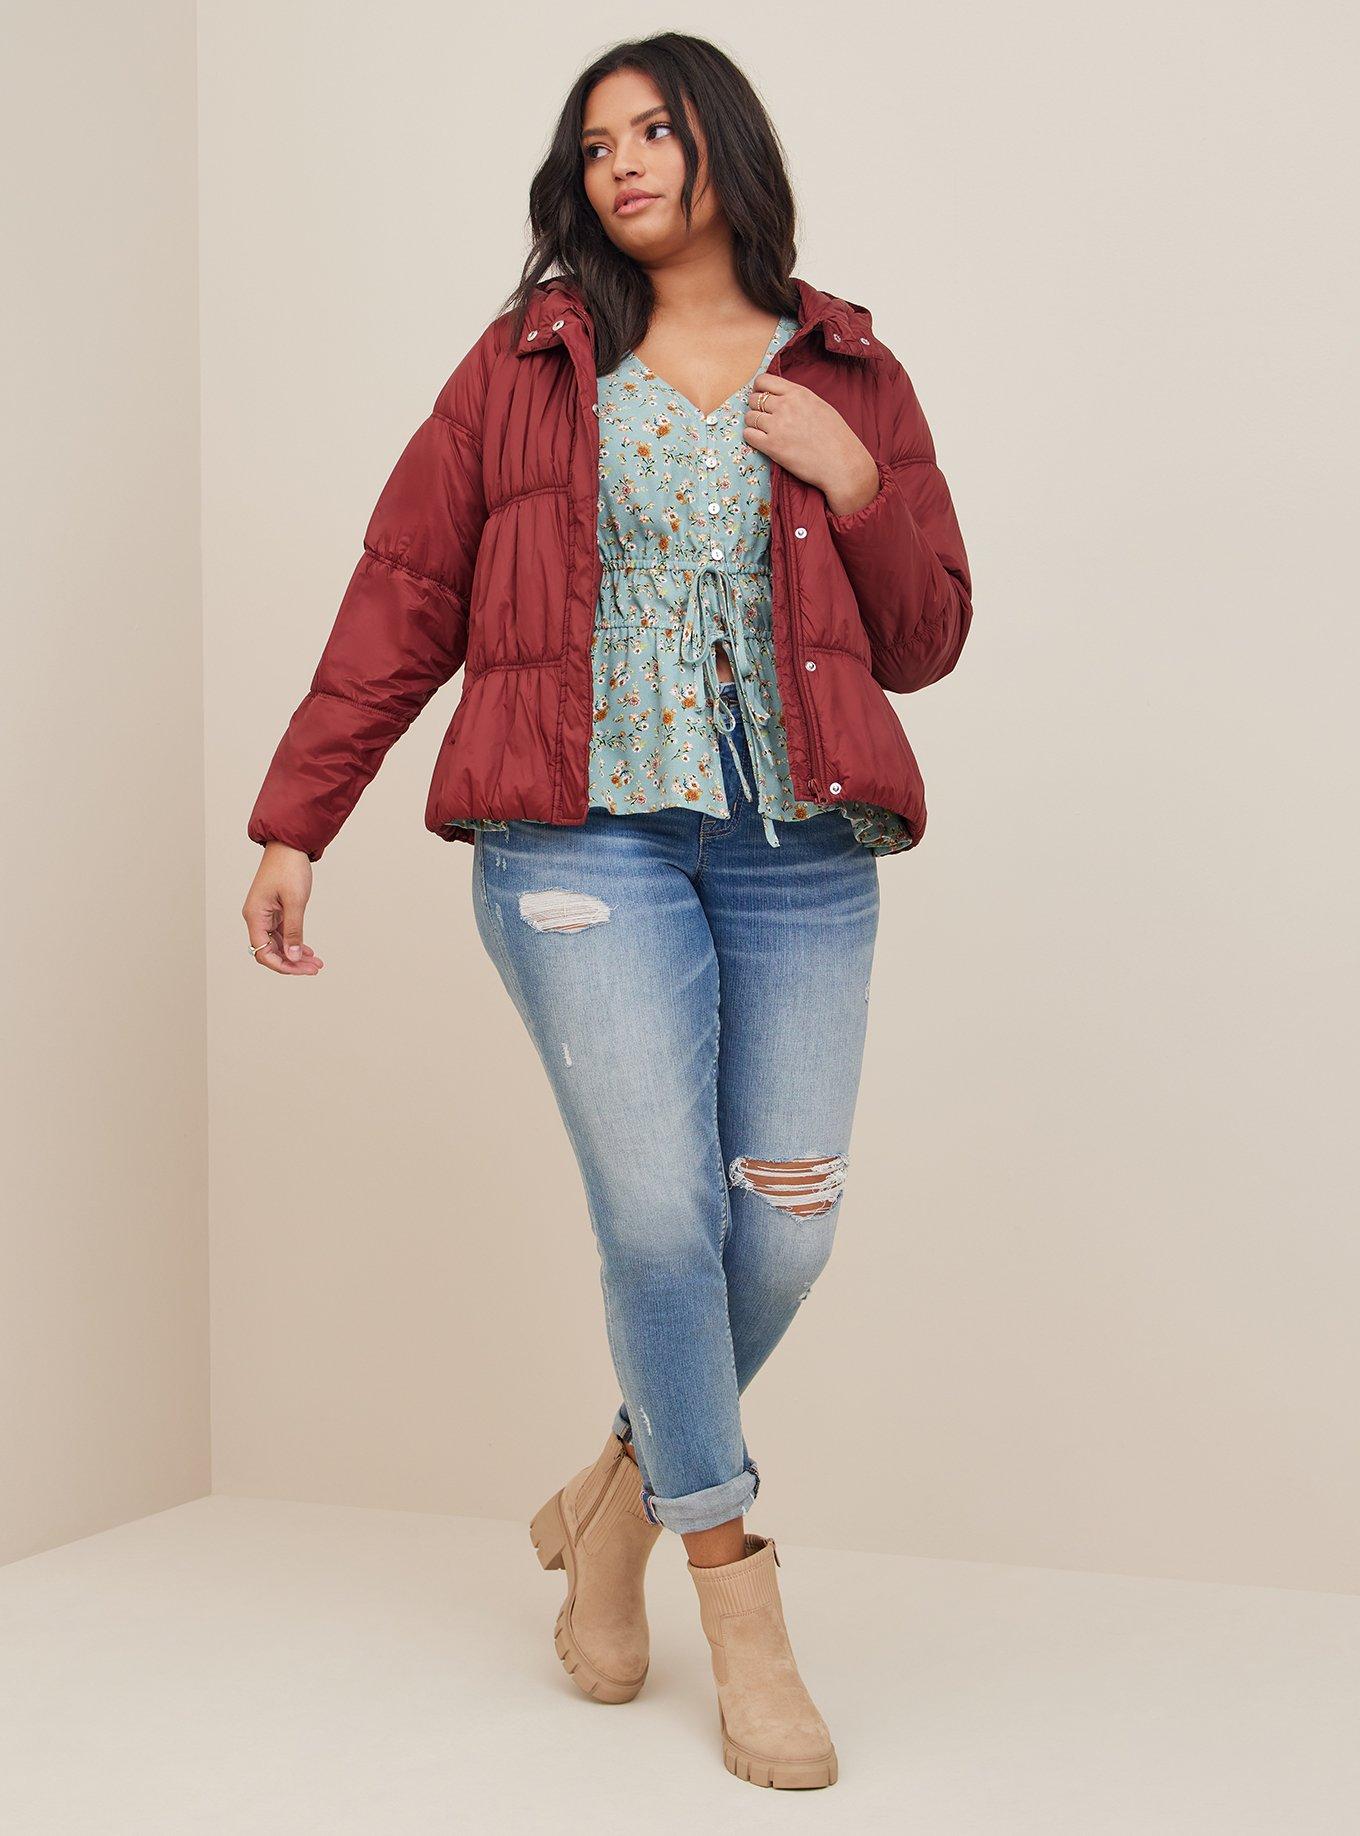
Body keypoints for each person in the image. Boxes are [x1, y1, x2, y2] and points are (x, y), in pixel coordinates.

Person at [242, 30, 972, 1792]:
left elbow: (929, 636)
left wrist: (856, 484)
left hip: (801, 848)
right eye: (596, 144)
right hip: (578, 844)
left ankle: (614, 1504)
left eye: (654, 130)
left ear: (725, 146)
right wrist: (296, 820)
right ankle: (740, 1603)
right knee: (660, 1221)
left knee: (779, 1231)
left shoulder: (847, 365)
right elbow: (402, 595)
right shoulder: (525, 366)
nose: (623, 162)